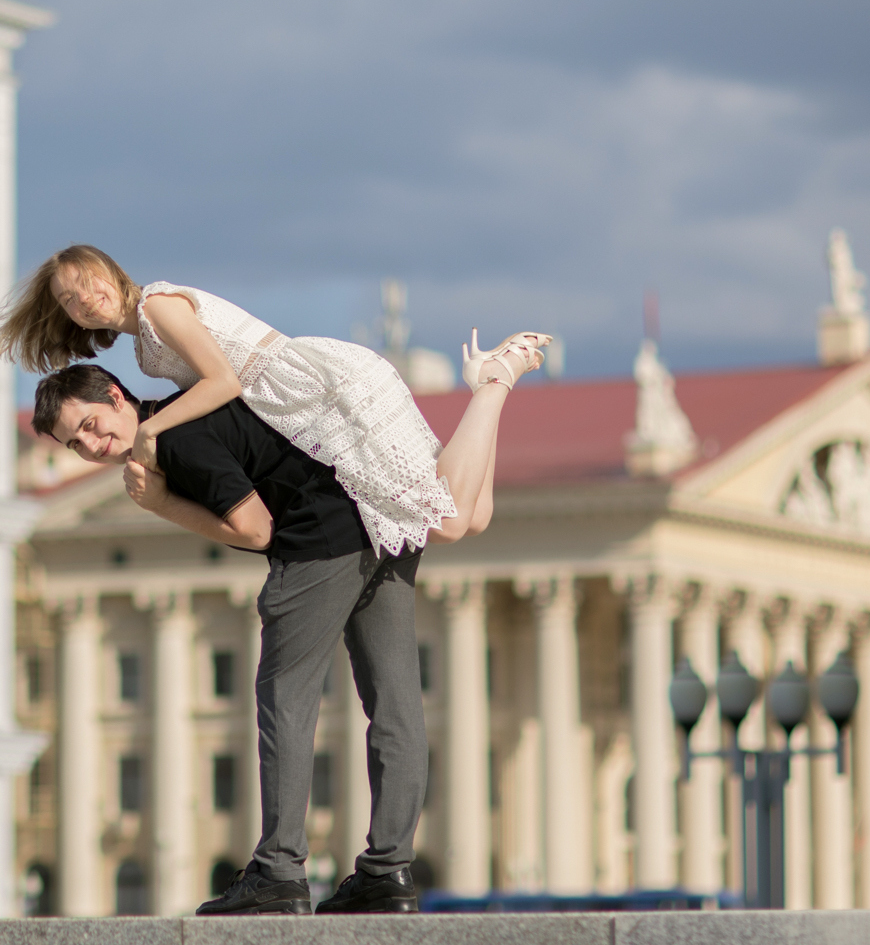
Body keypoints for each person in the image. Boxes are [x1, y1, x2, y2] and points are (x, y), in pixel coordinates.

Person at [30, 352, 542, 915]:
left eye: (89, 424)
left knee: (285, 702)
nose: (92, 444)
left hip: (317, 542)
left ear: (115, 395)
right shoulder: (190, 414)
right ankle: (388, 872)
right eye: (74, 443)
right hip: (378, 525)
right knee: (396, 706)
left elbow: (254, 529)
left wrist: (160, 503)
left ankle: (278, 869)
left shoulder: (172, 439)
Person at [0, 244, 550, 555]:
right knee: (473, 517)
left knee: (445, 522)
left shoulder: (159, 306)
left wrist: (150, 432)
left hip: (322, 393)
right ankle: (491, 386)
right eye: (70, 300)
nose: (86, 299)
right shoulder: (142, 348)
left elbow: (224, 383)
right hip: (300, 407)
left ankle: (496, 379)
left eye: (89, 282)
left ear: (112, 272)